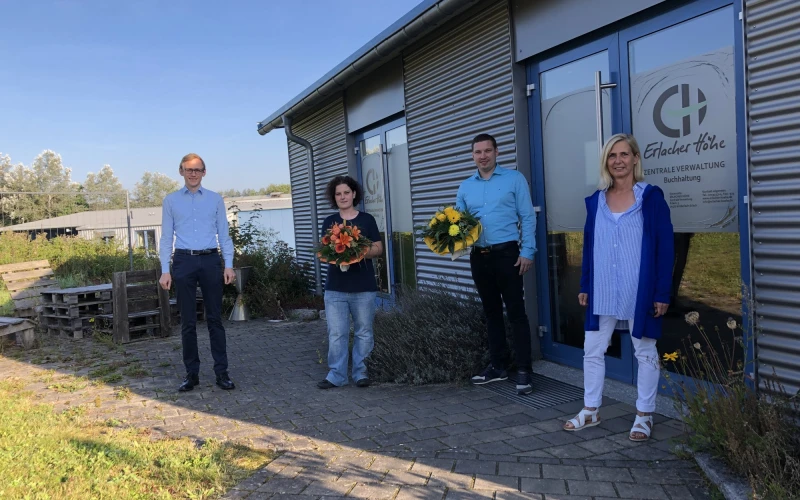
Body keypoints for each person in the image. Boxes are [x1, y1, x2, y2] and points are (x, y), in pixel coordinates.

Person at [563, 133, 674, 442]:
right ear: (606, 162)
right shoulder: (596, 200)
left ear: (635, 159)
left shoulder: (650, 198)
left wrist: (662, 292)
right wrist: (586, 283)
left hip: (639, 288)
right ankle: (591, 409)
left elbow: (666, 248)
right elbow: (590, 246)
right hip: (603, 287)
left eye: (624, 155)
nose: (618, 161)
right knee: (593, 349)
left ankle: (644, 415)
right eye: (612, 156)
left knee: (644, 349)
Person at [456, 133, 537, 395]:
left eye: (487, 151)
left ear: (496, 152)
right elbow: (458, 222)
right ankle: (498, 366)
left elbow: (527, 216)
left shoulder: (514, 179)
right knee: (491, 312)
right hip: (479, 256)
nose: (483, 156)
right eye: (478, 152)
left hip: (508, 255)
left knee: (516, 312)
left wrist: (528, 251)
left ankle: (525, 369)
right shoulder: (466, 186)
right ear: (472, 155)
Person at [159, 153, 236, 392]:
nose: (193, 173)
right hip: (183, 261)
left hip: (211, 260)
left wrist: (228, 264)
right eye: (188, 169)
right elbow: (165, 238)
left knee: (215, 320)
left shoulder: (215, 200)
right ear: (181, 172)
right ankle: (191, 375)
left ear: (204, 172)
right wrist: (165, 270)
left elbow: (224, 234)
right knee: (188, 322)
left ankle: (222, 373)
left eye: (197, 169)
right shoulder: (170, 201)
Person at [317, 175, 383, 390]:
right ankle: (336, 375)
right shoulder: (330, 222)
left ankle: (361, 373)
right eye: (338, 194)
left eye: (346, 192)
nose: (343, 197)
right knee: (337, 333)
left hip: (363, 287)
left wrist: (358, 250)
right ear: (334, 197)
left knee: (364, 331)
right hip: (335, 287)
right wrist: (339, 253)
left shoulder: (367, 220)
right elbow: (324, 250)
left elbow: (378, 249)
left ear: (354, 194)